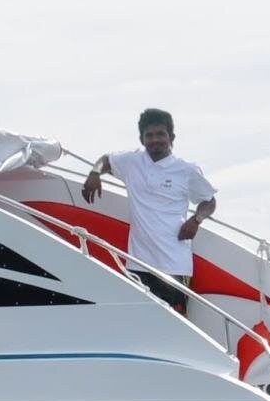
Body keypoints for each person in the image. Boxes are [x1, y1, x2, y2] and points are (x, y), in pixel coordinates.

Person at [82, 109, 218, 312]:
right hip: (138, 264)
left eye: (161, 134)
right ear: (142, 139)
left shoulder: (186, 170)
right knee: (139, 321)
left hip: (174, 265)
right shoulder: (132, 161)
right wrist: (94, 173)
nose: (155, 140)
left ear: (171, 138)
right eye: (149, 135)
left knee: (174, 324)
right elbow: (105, 160)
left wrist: (196, 220)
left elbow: (210, 201)